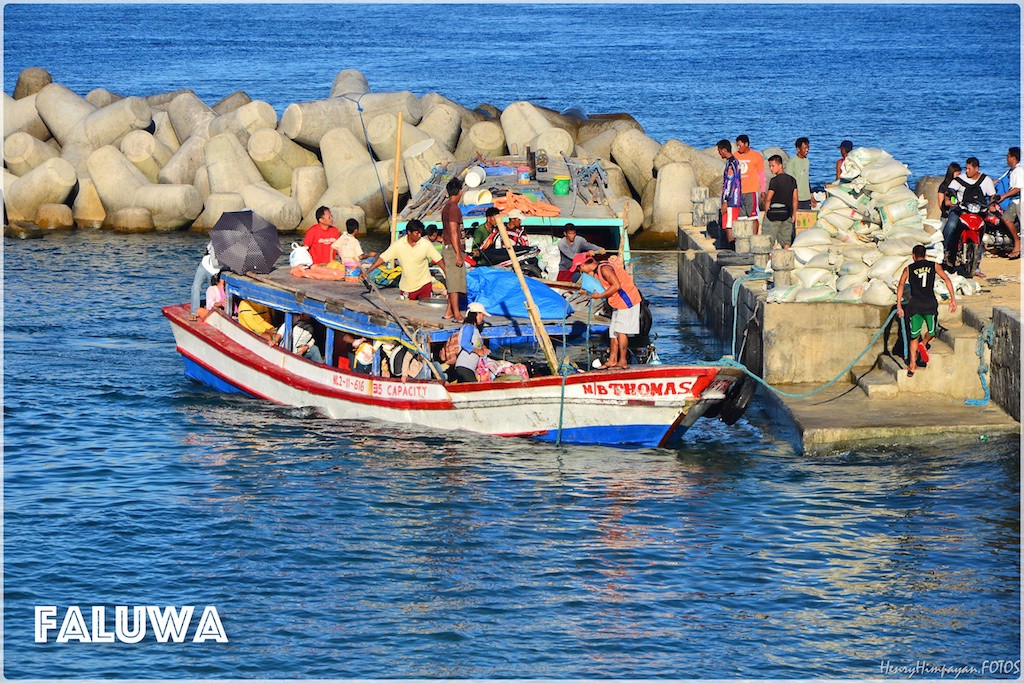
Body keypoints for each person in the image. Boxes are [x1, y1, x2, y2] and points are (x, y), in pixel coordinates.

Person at [572, 253, 642, 369]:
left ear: (584, 265)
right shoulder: (597, 271)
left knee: (621, 331)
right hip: (617, 302)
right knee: (613, 332)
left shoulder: (604, 269)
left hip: (627, 301)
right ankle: (612, 360)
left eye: (579, 268)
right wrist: (587, 292)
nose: (580, 271)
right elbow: (600, 287)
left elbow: (616, 286)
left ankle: (623, 360)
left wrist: (599, 296)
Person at [896, 244, 957, 378]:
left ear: (913, 256)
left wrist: (899, 305)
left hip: (915, 305)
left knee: (913, 336)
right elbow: (947, 279)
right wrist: (953, 299)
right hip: (930, 304)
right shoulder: (934, 265)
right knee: (932, 332)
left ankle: (912, 365)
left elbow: (901, 285)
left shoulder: (908, 268)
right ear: (925, 255)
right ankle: (923, 344)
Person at [363, 219, 445, 301]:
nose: (419, 235)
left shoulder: (426, 244)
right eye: (417, 233)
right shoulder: (398, 245)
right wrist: (367, 272)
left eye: (421, 233)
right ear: (409, 232)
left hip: (424, 285)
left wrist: (447, 275)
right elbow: (383, 258)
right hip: (407, 288)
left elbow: (439, 260)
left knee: (425, 310)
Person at [942, 157, 997, 274]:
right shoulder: (959, 180)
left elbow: (992, 195)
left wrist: (992, 204)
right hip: (961, 210)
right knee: (951, 227)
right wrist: (950, 200)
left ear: (976, 169)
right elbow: (949, 191)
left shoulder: (986, 180)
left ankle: (976, 265)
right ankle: (947, 254)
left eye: (969, 169)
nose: (967, 171)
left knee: (981, 234)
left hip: (978, 212)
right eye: (966, 168)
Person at [441, 177, 467, 322]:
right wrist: (458, 253)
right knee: (454, 283)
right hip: (452, 249)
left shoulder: (447, 207)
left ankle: (449, 311)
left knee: (455, 281)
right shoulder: (453, 209)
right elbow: (453, 232)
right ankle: (457, 314)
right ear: (460, 192)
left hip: (452, 247)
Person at [761, 155, 799, 249]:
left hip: (774, 213)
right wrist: (794, 213)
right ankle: (786, 260)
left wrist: (766, 212)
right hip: (787, 213)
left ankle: (768, 260)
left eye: (773, 166)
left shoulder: (774, 181)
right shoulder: (792, 180)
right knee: (786, 240)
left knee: (768, 239)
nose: (771, 168)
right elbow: (795, 198)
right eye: (770, 166)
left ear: (780, 165)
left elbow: (768, 198)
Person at [451, 302, 491, 383]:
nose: (482, 318)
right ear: (476, 314)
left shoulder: (475, 329)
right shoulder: (468, 327)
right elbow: (465, 343)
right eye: (482, 315)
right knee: (475, 388)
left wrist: (484, 348)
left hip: (470, 367)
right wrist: (478, 351)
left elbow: (477, 343)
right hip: (464, 366)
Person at [994, 146, 1021, 259]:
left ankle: (1017, 244)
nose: (1006, 158)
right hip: (1012, 200)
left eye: (1007, 156)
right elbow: (998, 181)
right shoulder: (1010, 171)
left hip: (1018, 201)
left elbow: (1017, 189)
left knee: (1006, 218)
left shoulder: (1018, 171)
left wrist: (1003, 196)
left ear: (1013, 158)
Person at [734, 134, 765, 233]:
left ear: (746, 144)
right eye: (737, 145)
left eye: (740, 145)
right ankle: (743, 236)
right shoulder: (735, 156)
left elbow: (761, 174)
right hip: (738, 192)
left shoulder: (757, 156)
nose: (738, 147)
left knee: (753, 216)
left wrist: (763, 190)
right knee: (741, 217)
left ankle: (754, 237)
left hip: (751, 191)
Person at [717, 139, 743, 247]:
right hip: (735, 200)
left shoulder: (730, 165)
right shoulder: (736, 162)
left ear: (724, 150)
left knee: (729, 226)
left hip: (731, 201)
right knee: (730, 224)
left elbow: (729, 183)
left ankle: (732, 248)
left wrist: (725, 201)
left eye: (719, 151)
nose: (718, 153)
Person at [190, 241, 220, 321]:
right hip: (205, 264)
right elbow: (208, 249)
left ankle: (211, 310)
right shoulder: (218, 236)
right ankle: (194, 311)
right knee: (195, 287)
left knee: (213, 291)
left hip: (216, 271)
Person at [785, 137, 815, 210]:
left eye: (808, 147)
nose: (807, 150)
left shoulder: (806, 161)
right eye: (804, 148)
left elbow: (806, 179)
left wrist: (811, 196)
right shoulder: (791, 162)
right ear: (798, 149)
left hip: (806, 197)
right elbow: (789, 182)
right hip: (796, 198)